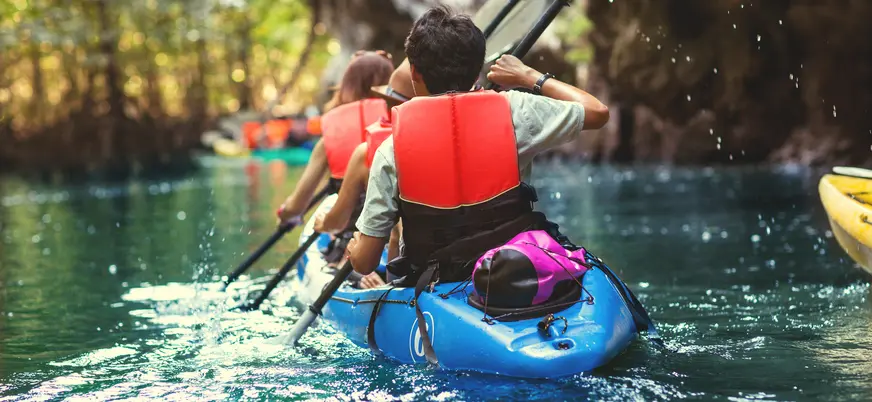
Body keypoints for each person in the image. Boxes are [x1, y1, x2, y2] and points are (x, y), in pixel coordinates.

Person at [345, 6, 609, 285]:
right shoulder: (515, 110)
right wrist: (529, 76)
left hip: (436, 281)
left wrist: (353, 249)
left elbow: (365, 262)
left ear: (414, 73)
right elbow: (597, 111)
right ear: (477, 71)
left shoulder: (391, 149)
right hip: (515, 269)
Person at [312, 58, 416, 289]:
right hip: (422, 266)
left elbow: (338, 223)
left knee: (350, 256)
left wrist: (322, 225)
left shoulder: (369, 152)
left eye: (389, 101)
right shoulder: (450, 143)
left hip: (377, 259)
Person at [276, 51, 394, 226]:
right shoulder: (402, 123)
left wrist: (285, 214)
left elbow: (296, 206)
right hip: (397, 230)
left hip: (351, 233)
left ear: (347, 86)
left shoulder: (329, 139)